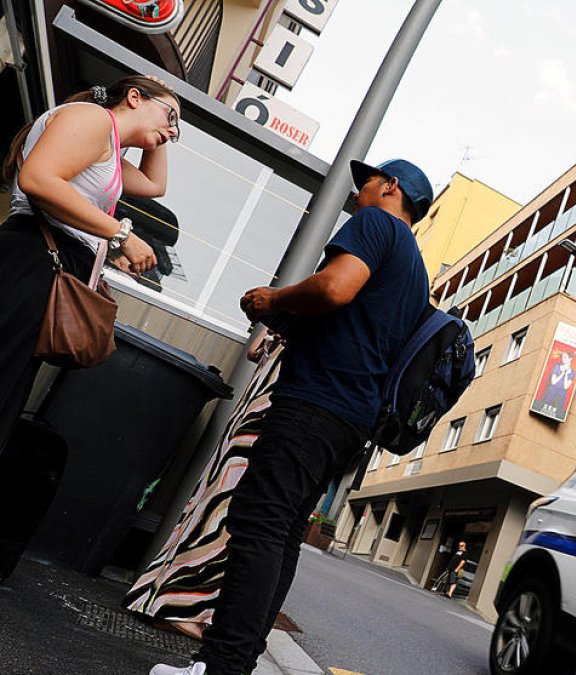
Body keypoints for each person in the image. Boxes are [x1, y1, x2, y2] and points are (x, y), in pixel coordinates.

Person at [151, 158, 434, 675]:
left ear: (391, 188)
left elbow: (333, 289)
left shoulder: (376, 225)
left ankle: (220, 666)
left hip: (315, 402)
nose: (356, 195)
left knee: (258, 523)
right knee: (281, 532)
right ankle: (235, 660)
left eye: (365, 183)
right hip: (351, 417)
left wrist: (272, 297)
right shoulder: (416, 269)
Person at [0, 76, 173, 458]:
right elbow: (37, 178)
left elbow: (154, 185)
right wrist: (121, 234)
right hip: (31, 259)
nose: (173, 130)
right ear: (133, 97)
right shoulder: (91, 120)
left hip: (47, 267)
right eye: (171, 115)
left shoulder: (109, 144)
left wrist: (162, 119)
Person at [124, 330, 285, 641]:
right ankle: (184, 608)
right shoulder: (320, 305)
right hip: (277, 406)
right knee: (234, 506)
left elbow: (254, 350)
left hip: (256, 400)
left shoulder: (292, 301)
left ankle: (162, 597)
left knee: (214, 497)